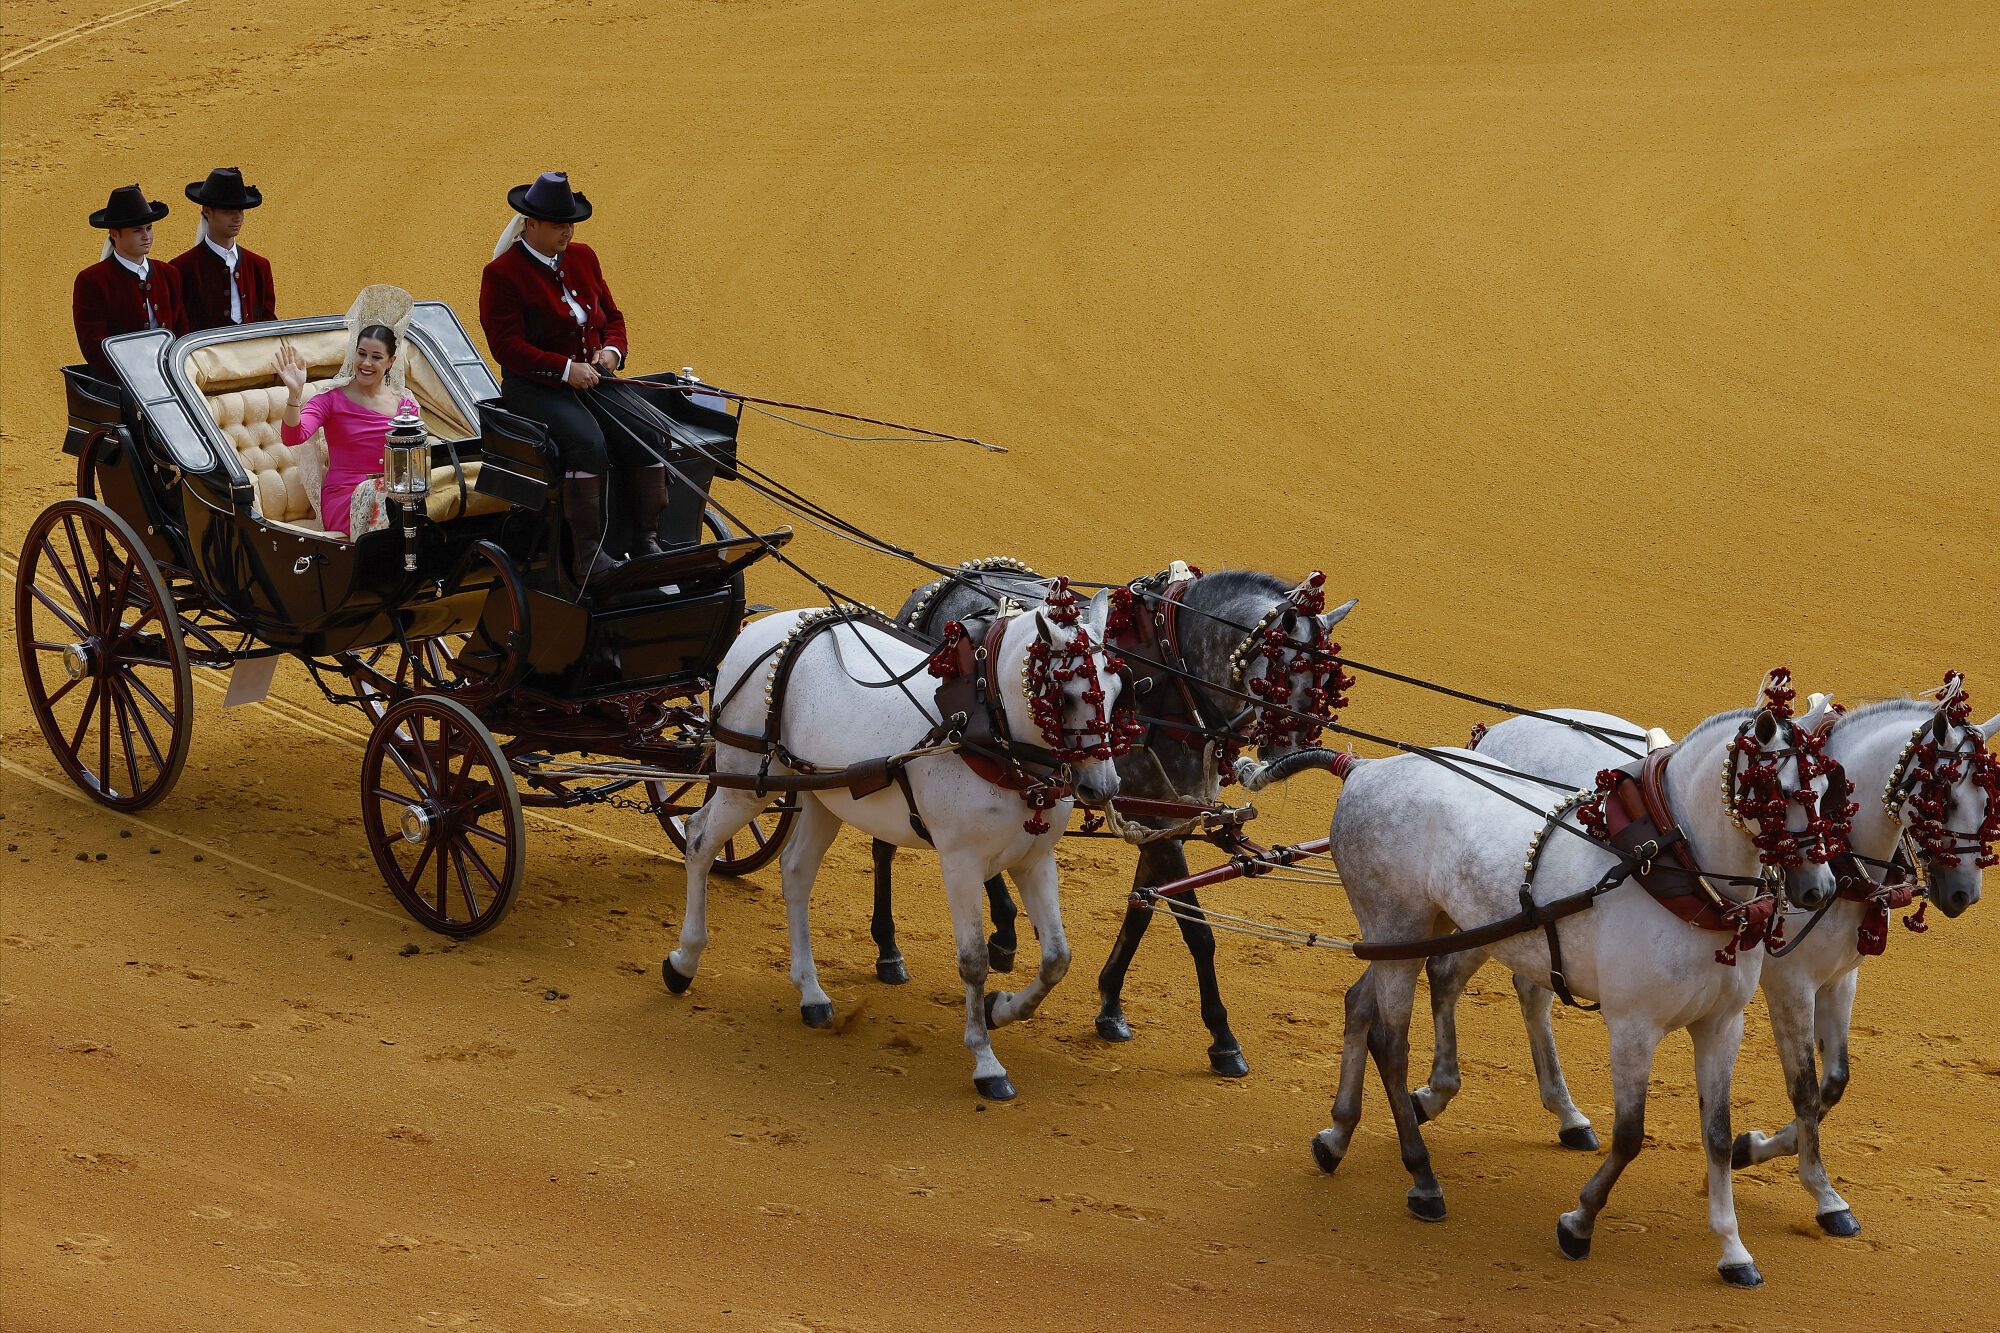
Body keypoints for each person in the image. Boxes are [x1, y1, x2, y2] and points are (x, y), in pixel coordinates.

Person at [480, 170, 676, 583]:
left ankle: (647, 538)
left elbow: (612, 317)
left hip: (596, 379)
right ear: (530, 223)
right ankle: (588, 553)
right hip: (533, 387)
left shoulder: (585, 257)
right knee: (588, 443)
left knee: (648, 431)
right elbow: (507, 347)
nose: (567, 232)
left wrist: (612, 351)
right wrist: (566, 369)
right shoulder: (502, 274)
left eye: (570, 224)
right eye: (557, 225)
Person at [276, 286, 421, 539]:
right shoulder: (330, 398)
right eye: (362, 354)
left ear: (391, 362)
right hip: (346, 499)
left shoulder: (405, 404)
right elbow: (292, 437)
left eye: (376, 357)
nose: (366, 363)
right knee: (392, 504)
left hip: (392, 496)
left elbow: (413, 462)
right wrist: (295, 395)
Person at [73, 183, 186, 378]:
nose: (146, 236)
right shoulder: (92, 280)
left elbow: (182, 329)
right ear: (114, 234)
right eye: (137, 230)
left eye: (149, 228)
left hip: (171, 375)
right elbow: (94, 346)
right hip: (119, 379)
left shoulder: (169, 273)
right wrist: (136, 376)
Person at [170, 167, 277, 331]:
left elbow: (268, 322)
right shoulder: (181, 269)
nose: (237, 218)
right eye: (228, 211)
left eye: (240, 210)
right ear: (207, 211)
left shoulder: (259, 266)